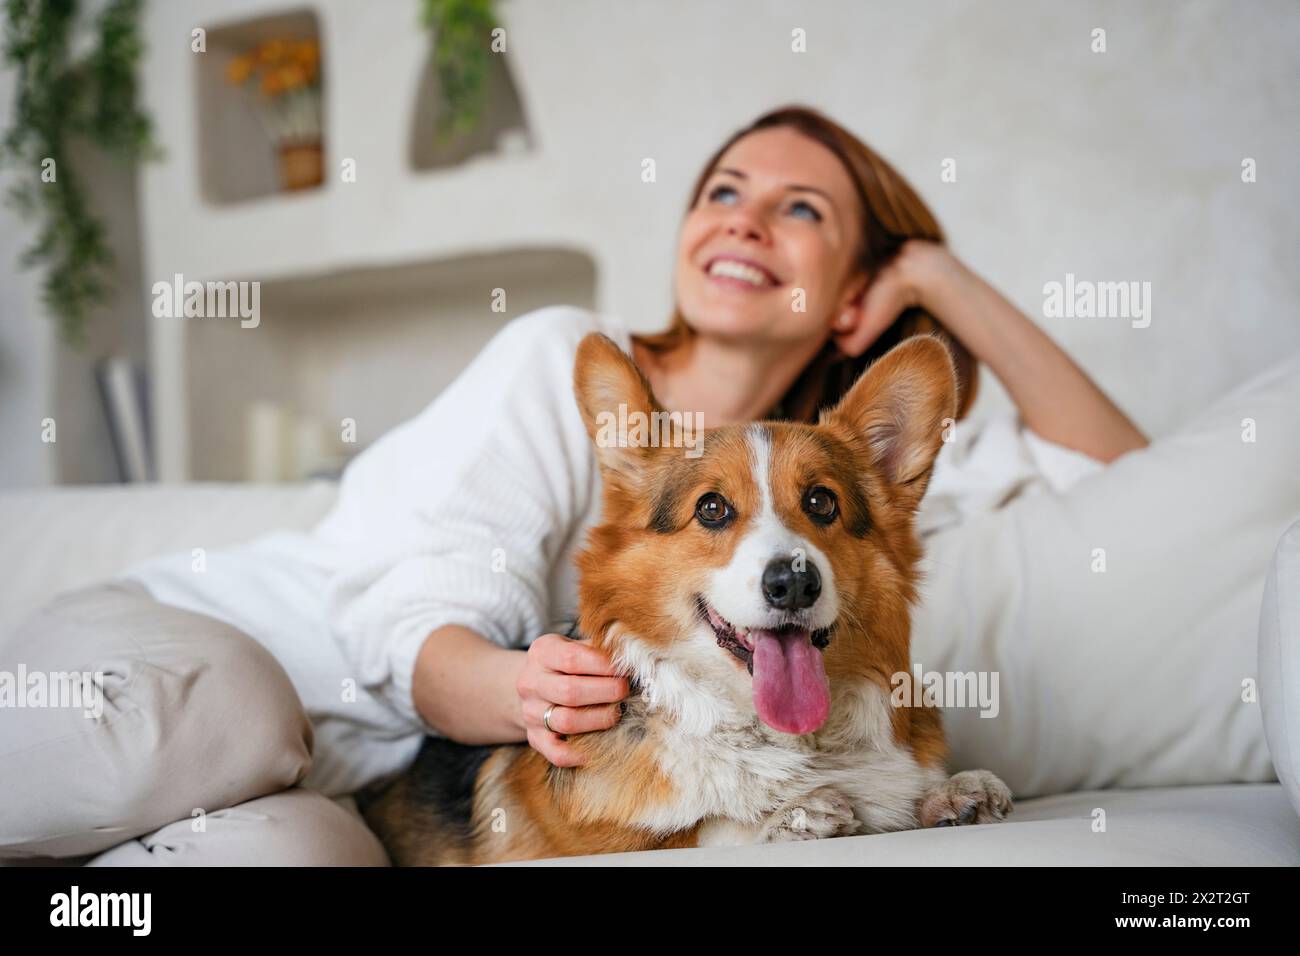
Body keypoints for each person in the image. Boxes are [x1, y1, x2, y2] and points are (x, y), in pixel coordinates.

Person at [0, 105, 1146, 866]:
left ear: (855, 286)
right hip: (203, 645)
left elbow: (1118, 474)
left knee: (290, 862)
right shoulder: (564, 358)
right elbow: (414, 615)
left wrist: (939, 276)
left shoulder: (843, 478)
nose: (745, 214)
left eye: (803, 209)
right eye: (724, 189)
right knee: (208, 724)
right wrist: (522, 691)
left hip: (355, 784)